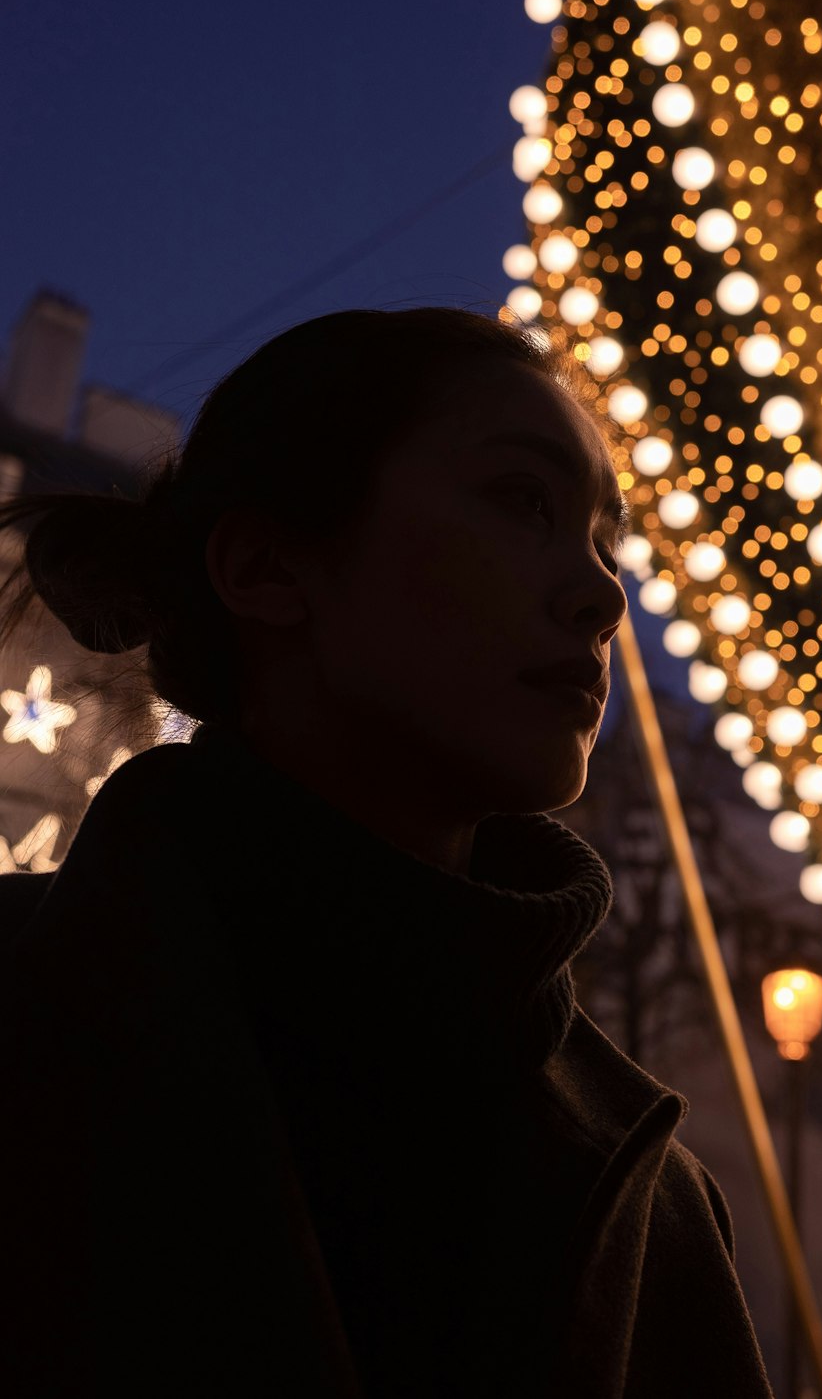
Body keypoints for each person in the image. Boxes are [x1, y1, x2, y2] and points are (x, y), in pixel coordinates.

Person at [0, 308, 774, 1398]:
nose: (604, 594)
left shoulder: (658, 1210)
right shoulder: (29, 1019)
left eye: (604, 538)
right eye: (522, 501)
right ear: (267, 568)